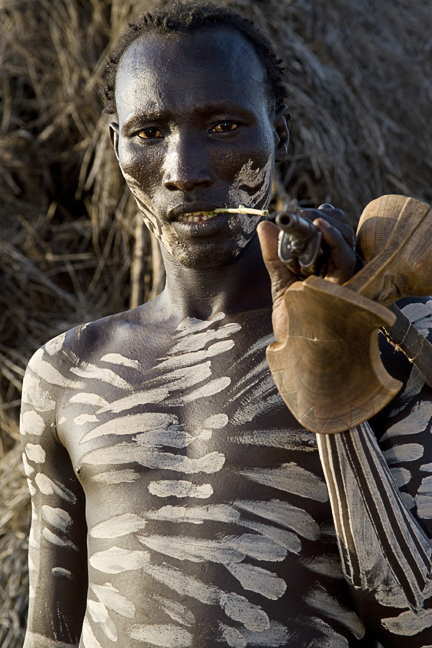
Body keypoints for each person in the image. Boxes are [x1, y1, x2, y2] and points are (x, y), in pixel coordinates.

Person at [20, 3, 432, 647]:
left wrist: (330, 350)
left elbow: (419, 623)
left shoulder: (392, 335)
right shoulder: (67, 372)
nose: (184, 170)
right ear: (116, 148)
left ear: (280, 131)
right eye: (149, 132)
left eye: (221, 126)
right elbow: (47, 634)